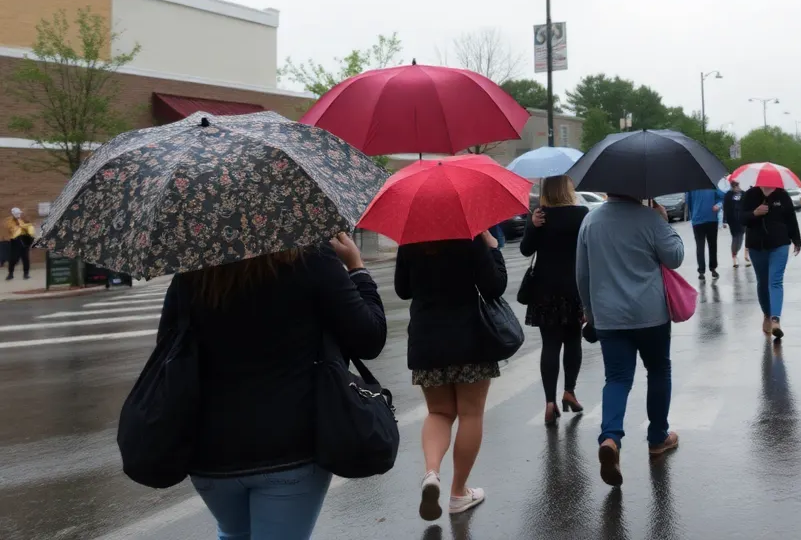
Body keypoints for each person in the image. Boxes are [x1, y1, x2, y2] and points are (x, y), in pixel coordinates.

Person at [158, 233, 386, 539]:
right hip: (291, 449)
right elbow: (369, 338)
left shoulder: (194, 272)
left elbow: (168, 351)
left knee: (233, 534)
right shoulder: (312, 259)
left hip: (209, 452)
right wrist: (356, 268)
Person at [397, 229, 507, 520]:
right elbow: (494, 286)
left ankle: (431, 472)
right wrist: (493, 248)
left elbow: (402, 289)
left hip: (426, 339)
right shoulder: (469, 236)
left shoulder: (411, 237)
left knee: (439, 413)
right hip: (469, 338)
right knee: (471, 414)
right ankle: (459, 493)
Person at [576, 194, 684, 487]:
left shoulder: (591, 221)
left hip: (609, 315)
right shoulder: (650, 218)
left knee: (617, 379)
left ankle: (610, 438)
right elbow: (674, 257)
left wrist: (589, 309)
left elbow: (582, 273)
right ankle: (658, 437)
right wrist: (665, 223)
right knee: (659, 370)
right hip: (650, 313)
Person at [520, 175, 590, 426]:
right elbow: (588, 248)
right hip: (574, 288)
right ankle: (569, 391)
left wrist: (533, 225)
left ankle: (549, 401)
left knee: (549, 345)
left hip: (544, 290)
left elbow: (526, 250)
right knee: (573, 340)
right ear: (567, 188)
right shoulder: (581, 214)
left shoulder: (540, 215)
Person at [740, 185, 801, 340]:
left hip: (780, 244)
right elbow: (740, 218)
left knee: (775, 281)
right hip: (756, 245)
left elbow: (791, 218)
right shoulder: (750, 195)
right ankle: (767, 314)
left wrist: (796, 239)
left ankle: (775, 320)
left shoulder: (782, 195)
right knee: (763, 282)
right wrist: (754, 213)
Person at [686, 187, 724, 280]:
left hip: (700, 219)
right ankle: (711, 269)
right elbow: (721, 198)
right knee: (710, 245)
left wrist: (694, 211)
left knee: (702, 246)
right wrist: (718, 205)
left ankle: (703, 270)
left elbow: (688, 202)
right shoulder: (711, 183)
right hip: (708, 218)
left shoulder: (692, 186)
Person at [722, 180, 748, 267]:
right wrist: (724, 220)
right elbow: (725, 208)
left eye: (737, 186)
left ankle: (736, 251)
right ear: (732, 187)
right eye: (735, 187)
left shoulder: (744, 194)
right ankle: (734, 256)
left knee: (740, 238)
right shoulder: (728, 195)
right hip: (732, 220)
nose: (737, 188)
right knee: (735, 237)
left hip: (742, 219)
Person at [4, 208, 34, 281]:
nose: (19, 215)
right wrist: (20, 227)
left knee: (25, 258)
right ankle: (10, 274)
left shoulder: (21, 220)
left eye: (19, 213)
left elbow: (27, 229)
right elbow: (11, 230)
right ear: (13, 214)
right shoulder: (9, 221)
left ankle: (26, 274)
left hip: (24, 242)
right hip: (15, 242)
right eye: (17, 213)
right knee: (13, 259)